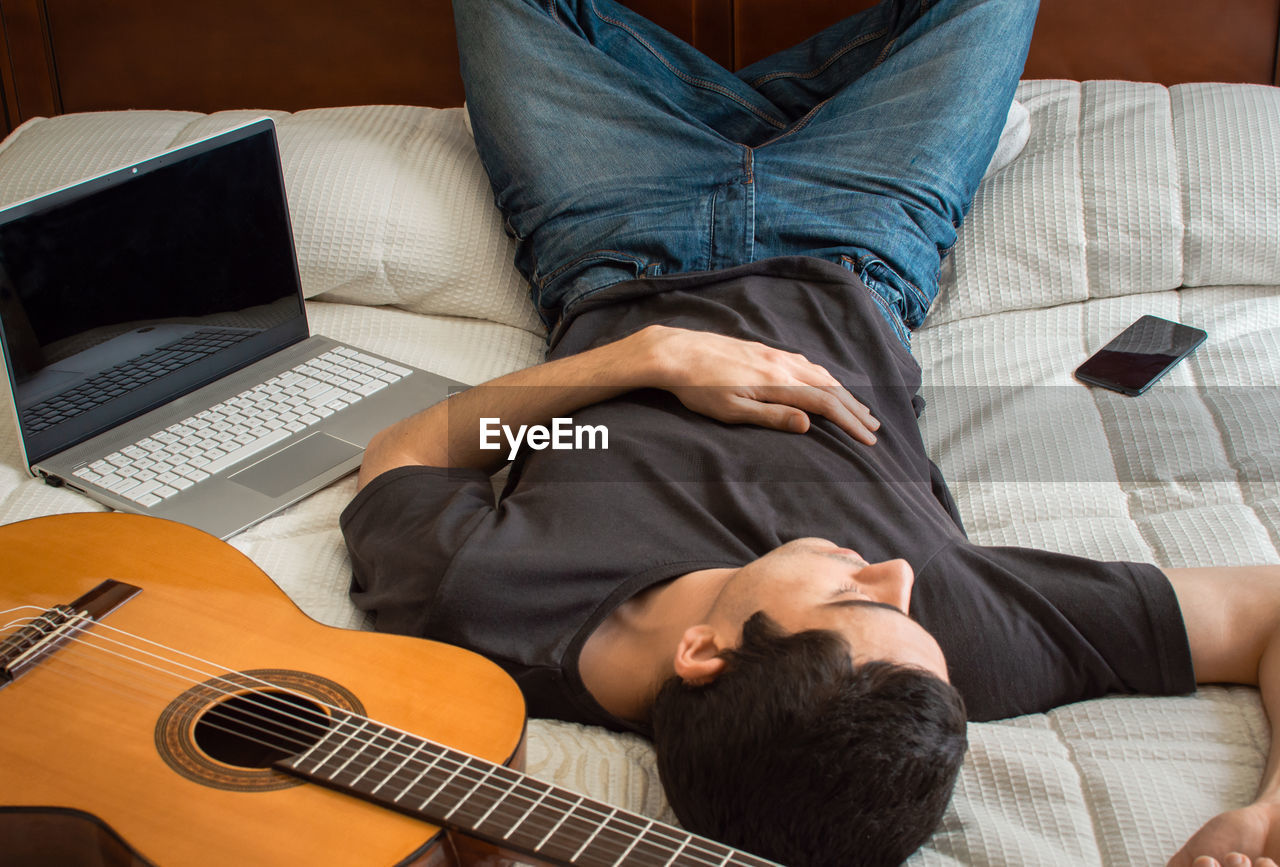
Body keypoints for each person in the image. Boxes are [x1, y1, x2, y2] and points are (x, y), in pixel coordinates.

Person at [339, 1, 1280, 865]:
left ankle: (742, 107)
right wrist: (1266, 814)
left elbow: (410, 453)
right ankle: (768, 111)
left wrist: (645, 362)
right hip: (857, 234)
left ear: (705, 653)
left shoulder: (491, 601)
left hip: (611, 237)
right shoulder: (936, 645)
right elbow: (1264, 612)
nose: (899, 577)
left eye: (855, 598)